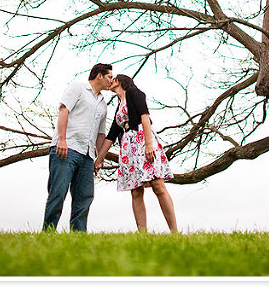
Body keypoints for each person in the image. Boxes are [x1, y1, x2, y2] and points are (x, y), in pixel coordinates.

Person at [95, 74, 178, 233]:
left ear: (121, 81)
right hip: (128, 147)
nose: (111, 81)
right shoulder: (119, 105)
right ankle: (142, 234)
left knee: (158, 185)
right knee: (135, 190)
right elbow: (111, 135)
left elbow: (145, 117)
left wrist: (148, 145)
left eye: (114, 78)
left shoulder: (134, 93)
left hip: (142, 140)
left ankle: (175, 232)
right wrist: (99, 160)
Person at [42, 63, 113, 232]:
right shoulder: (78, 88)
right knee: (58, 193)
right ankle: (48, 232)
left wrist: (99, 159)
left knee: (85, 197)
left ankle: (78, 235)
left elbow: (100, 135)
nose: (112, 81)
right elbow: (63, 110)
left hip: (87, 156)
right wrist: (62, 140)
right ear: (100, 76)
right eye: (110, 77)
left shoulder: (103, 104)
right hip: (67, 148)